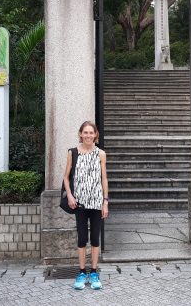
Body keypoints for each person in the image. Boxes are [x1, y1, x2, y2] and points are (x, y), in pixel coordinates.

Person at [63, 121, 109, 290]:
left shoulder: (101, 154)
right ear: (81, 134)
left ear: (96, 135)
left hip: (97, 203)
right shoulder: (73, 153)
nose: (89, 135)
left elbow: (104, 179)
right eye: (86, 132)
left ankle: (94, 272)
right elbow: (66, 177)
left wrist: (105, 202)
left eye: (92, 133)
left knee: (95, 238)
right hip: (79, 203)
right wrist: (69, 195)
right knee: (82, 238)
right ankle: (82, 272)